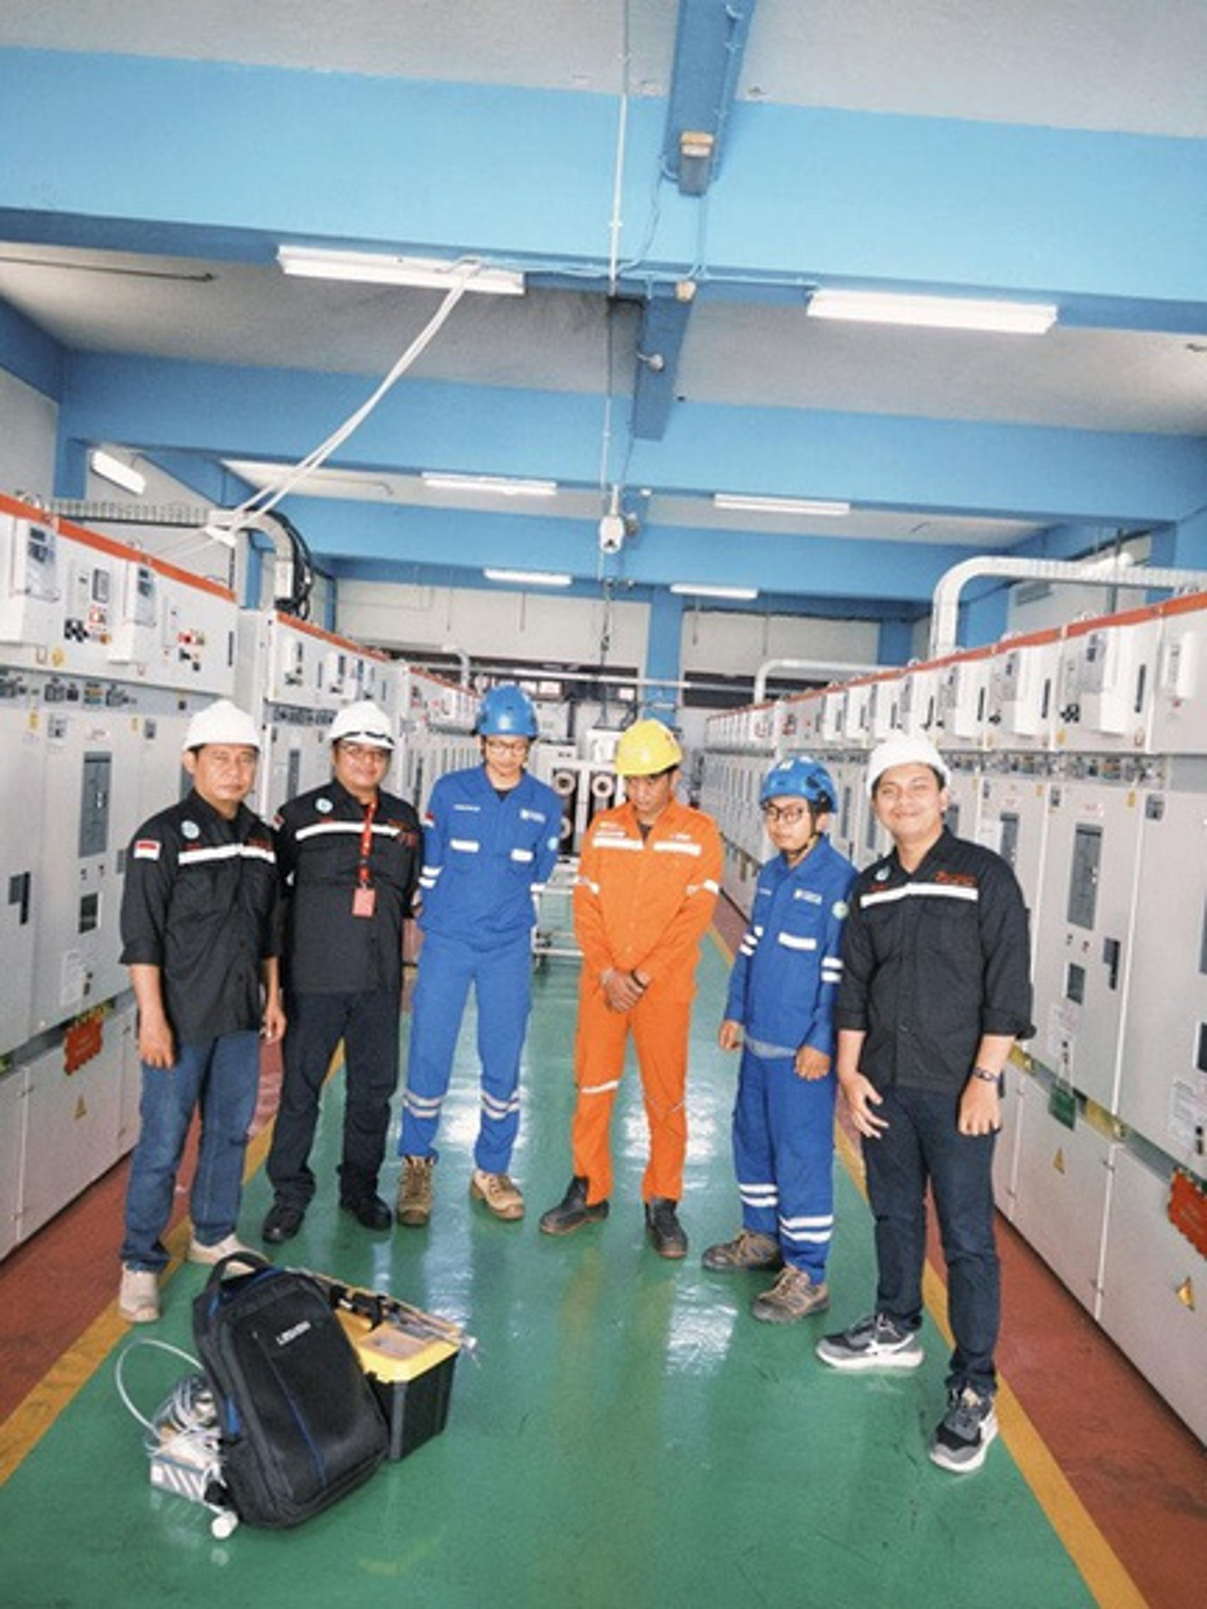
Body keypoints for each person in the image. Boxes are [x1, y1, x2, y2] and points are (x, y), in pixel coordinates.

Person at [815, 733, 1033, 1475]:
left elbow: (1009, 985)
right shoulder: (870, 885)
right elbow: (853, 985)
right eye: (889, 789)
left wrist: (986, 1078)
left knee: (967, 1238)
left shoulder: (983, 876)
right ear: (874, 803)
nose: (903, 800)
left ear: (943, 794)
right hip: (885, 1083)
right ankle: (895, 1323)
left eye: (916, 787)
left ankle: (973, 1387)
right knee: (894, 1212)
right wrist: (849, 1075)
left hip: (957, 1088)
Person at [117, 699, 285, 1324]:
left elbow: (269, 927)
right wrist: (152, 1018)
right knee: (163, 1142)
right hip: (180, 1019)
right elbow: (141, 934)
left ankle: (213, 1234)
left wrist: (273, 995)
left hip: (239, 1016)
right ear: (191, 762)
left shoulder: (261, 837)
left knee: (229, 1133)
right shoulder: (161, 836)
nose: (235, 771)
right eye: (221, 759)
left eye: (245, 760)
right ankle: (139, 1261)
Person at [540, 719, 723, 1258]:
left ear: (673, 776)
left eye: (650, 780)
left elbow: (694, 917)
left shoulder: (700, 833)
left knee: (665, 1097)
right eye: (631, 781)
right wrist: (606, 972)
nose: (639, 792)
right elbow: (585, 905)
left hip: (662, 989)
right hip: (605, 985)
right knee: (593, 1086)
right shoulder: (604, 828)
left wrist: (641, 976)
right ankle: (589, 1188)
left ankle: (662, 1201)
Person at [395, 684, 561, 1225]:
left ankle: (492, 1168)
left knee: (503, 1058)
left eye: (517, 745)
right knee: (429, 1050)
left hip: (507, 946)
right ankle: (416, 1163)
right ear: (481, 742)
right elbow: (431, 861)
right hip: (448, 940)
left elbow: (540, 869)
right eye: (498, 744)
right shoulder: (449, 792)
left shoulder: (544, 802)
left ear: (529, 746)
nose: (508, 755)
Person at [703, 756, 857, 1322]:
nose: (780, 823)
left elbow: (840, 973)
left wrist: (822, 1039)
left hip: (800, 1055)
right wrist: (735, 1009)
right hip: (759, 1042)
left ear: (822, 818)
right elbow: (750, 949)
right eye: (772, 812)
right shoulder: (771, 874)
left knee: (801, 1155)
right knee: (753, 1139)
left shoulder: (839, 881)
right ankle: (762, 1238)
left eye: (793, 812)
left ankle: (808, 1273)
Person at [262, 700, 422, 1242]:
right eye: (354, 750)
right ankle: (289, 1195)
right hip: (314, 980)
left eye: (377, 753)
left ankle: (360, 1189)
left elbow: (407, 895)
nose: (366, 762)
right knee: (300, 1091)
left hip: (378, 982)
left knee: (373, 1093)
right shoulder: (298, 818)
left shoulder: (404, 821)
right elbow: (274, 897)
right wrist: (274, 987)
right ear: (334, 753)